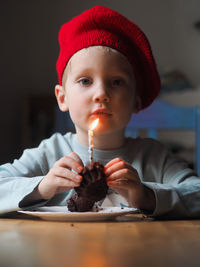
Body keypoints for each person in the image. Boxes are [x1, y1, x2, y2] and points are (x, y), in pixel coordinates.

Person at [0, 5, 200, 219]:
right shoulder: (50, 153)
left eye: (116, 82)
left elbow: (196, 193)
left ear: (136, 101)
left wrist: (146, 195)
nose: (101, 94)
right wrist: (42, 187)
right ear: (62, 97)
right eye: (85, 81)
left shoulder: (154, 158)